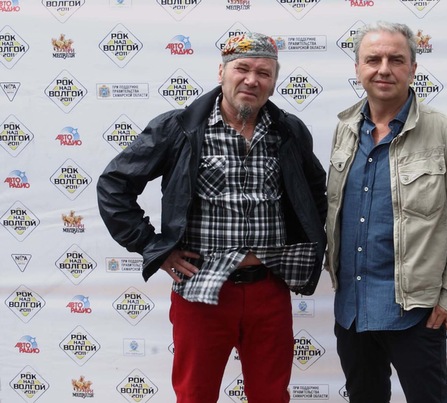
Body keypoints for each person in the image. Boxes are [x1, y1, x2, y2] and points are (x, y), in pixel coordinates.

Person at [97, 32, 327, 403]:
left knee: (271, 395)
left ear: (273, 82)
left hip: (269, 289)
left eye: (264, 73)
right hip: (200, 289)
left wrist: (309, 246)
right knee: (195, 395)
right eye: (242, 69)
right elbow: (114, 185)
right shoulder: (179, 127)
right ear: (221, 72)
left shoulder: (289, 131)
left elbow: (315, 194)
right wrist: (154, 247)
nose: (252, 80)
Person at [324, 21, 447, 403]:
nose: (384, 69)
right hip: (352, 310)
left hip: (416, 313)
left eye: (396, 60)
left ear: (413, 68)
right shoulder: (345, 129)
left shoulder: (446, 133)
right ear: (358, 69)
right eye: (373, 60)